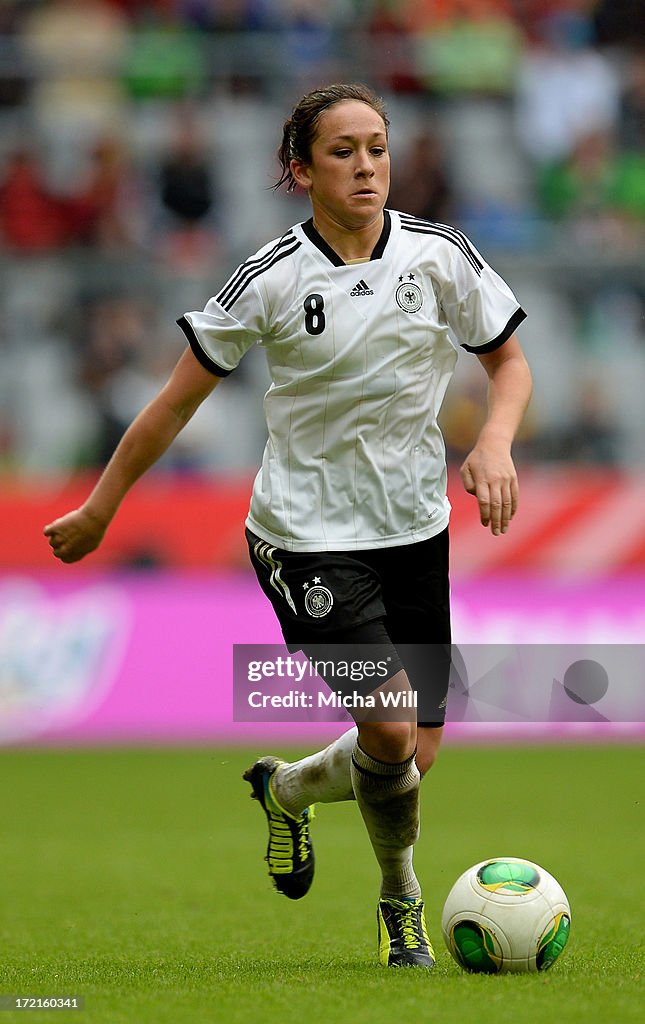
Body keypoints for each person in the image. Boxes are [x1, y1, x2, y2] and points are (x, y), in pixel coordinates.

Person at [44, 83, 532, 970]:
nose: (366, 166)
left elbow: (507, 360)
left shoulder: (437, 255)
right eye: (343, 150)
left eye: (377, 148)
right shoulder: (270, 275)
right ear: (300, 169)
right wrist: (100, 506)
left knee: (416, 754)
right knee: (388, 732)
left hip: (413, 530)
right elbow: (170, 405)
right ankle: (401, 905)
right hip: (305, 534)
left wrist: (494, 442)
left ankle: (290, 787)